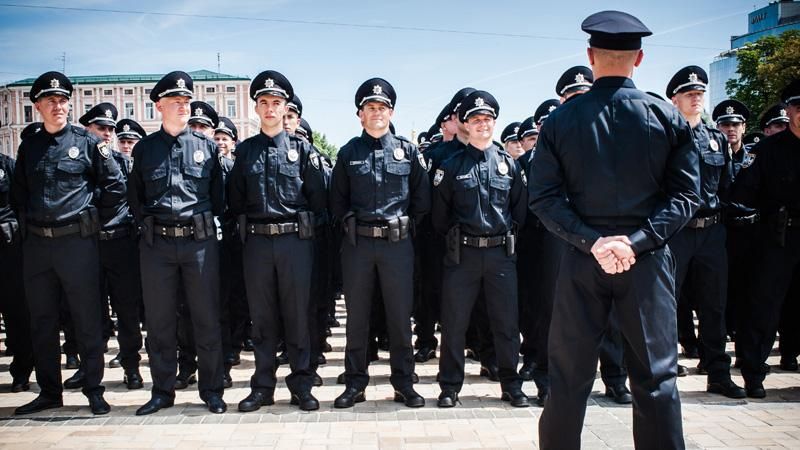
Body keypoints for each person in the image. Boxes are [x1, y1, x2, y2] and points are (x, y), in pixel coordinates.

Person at [528, 11, 699, 449]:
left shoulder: (561, 122)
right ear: (639, 58)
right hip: (647, 262)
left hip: (584, 260)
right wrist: (635, 242)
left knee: (567, 378)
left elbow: (544, 200)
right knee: (656, 378)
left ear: (590, 56)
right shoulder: (665, 115)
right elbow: (685, 197)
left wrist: (594, 241)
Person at [12, 71, 126, 416]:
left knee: (87, 318)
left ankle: (94, 388)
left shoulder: (88, 142)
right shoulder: (29, 146)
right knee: (42, 321)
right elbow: (20, 193)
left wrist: (93, 222)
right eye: (50, 101)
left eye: (63, 101)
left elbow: (116, 187)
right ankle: (49, 392)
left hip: (77, 243)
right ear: (37, 107)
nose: (58, 106)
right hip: (37, 247)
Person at [127, 71, 227, 415]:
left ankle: (212, 391)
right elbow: (136, 200)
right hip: (157, 247)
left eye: (186, 101)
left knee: (206, 319)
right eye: (175, 102)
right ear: (159, 106)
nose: (183, 107)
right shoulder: (144, 150)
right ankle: (162, 392)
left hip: (199, 245)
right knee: (159, 322)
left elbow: (219, 198)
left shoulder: (207, 147)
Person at [227, 70, 327, 412]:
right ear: (256, 107)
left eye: (277, 103)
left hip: (295, 244)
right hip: (256, 243)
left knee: (298, 316)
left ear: (286, 108)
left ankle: (301, 383)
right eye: (264, 102)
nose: (270, 108)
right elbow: (235, 201)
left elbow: (319, 202)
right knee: (263, 318)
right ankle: (263, 386)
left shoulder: (302, 151)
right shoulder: (245, 153)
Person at [329, 77, 429, 408]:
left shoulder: (408, 151)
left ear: (391, 112)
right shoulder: (347, 153)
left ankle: (404, 383)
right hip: (358, 247)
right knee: (357, 318)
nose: (376, 113)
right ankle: (355, 383)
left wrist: (402, 227)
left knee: (400, 318)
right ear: (360, 114)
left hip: (397, 247)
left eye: (382, 107)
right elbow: (337, 202)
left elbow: (421, 201)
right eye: (370, 108)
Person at [431, 90, 530, 408]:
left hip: (501, 254)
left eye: (487, 119)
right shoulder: (450, 165)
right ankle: (449, 386)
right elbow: (439, 217)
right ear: (466, 124)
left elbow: (520, 211)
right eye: (476, 120)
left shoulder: (508, 164)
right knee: (455, 323)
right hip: (463, 255)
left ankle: (510, 384)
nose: (482, 124)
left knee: (505, 323)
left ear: (494, 123)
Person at [732, 79, 800, 397]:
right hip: (778, 237)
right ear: (788, 111)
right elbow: (742, 194)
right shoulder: (765, 151)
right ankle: (754, 372)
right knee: (764, 306)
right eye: (798, 108)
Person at [79, 103, 145, 390]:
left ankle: (132, 367)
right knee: (89, 314)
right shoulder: (78, 162)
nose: (106, 134)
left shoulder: (124, 163)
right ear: (87, 129)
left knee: (127, 311)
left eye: (110, 129)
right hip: (87, 246)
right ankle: (88, 370)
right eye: (100, 128)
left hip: (120, 243)